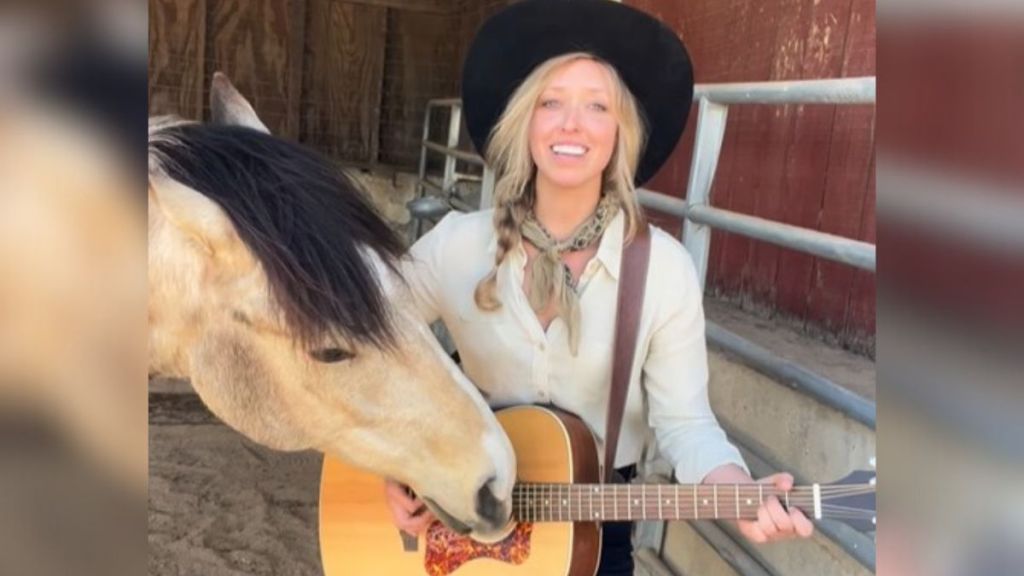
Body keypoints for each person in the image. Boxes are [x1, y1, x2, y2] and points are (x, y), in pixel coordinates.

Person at [386, 0, 813, 573]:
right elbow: (366, 345)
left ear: (620, 131)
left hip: (593, 523)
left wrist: (736, 487)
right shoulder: (456, 245)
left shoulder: (662, 270)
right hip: (458, 509)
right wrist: (393, 465)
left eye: (596, 106)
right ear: (525, 121)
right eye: (551, 102)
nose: (572, 124)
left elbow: (686, 423)